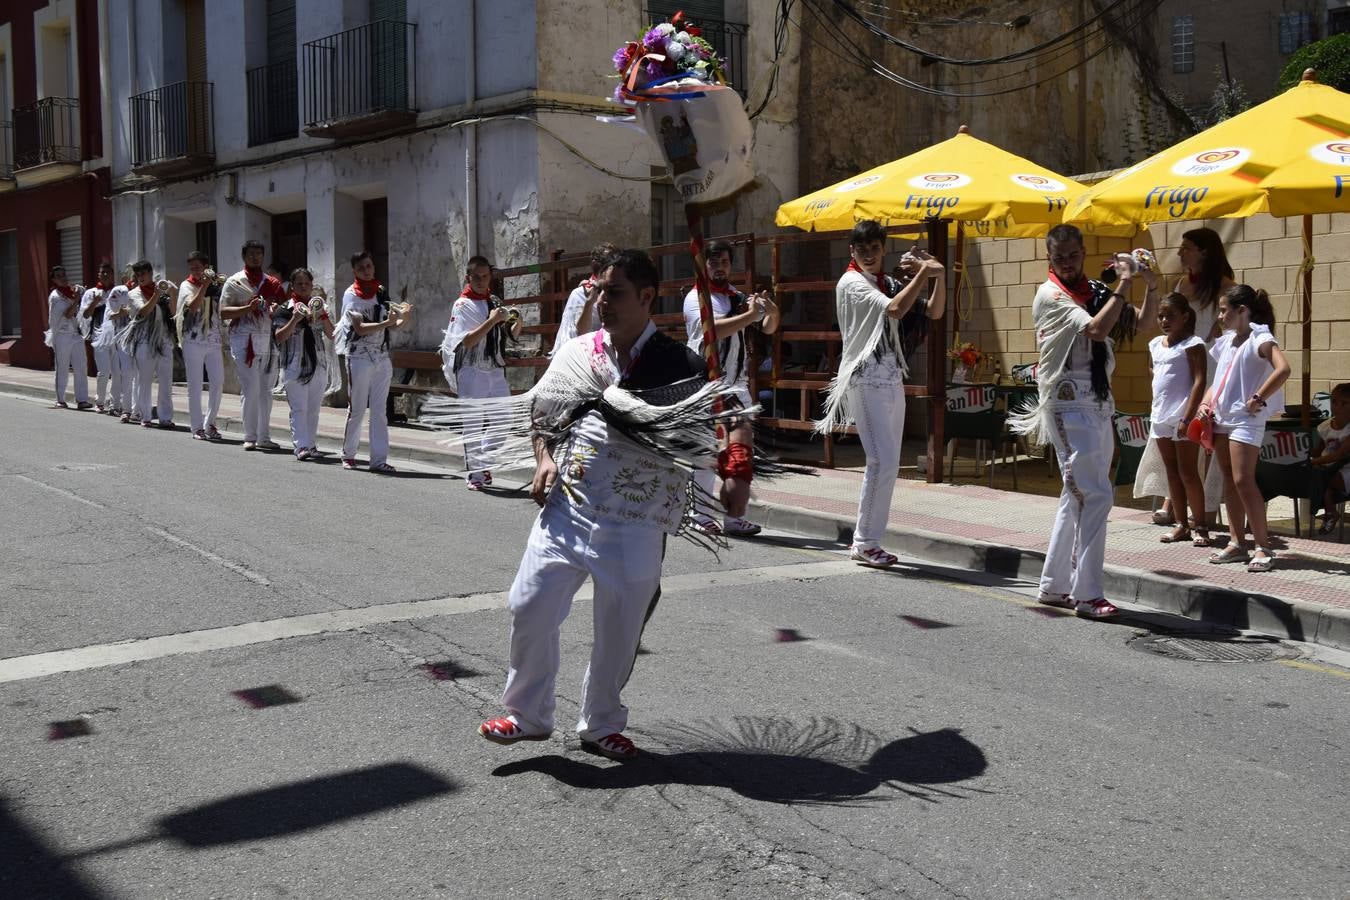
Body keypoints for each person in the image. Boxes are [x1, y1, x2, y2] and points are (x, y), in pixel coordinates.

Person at [466, 249, 727, 762]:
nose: (601, 300)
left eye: (616, 292)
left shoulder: (681, 365)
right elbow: (542, 414)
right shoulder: (579, 353)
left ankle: (601, 721)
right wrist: (544, 460)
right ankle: (528, 714)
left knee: (619, 629)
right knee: (528, 605)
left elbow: (710, 435)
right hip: (569, 504)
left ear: (648, 298)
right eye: (599, 289)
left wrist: (726, 470)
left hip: (635, 521)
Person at [1012, 224, 1160, 618]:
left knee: (1075, 496)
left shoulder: (1096, 291)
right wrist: (1124, 284)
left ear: (1083, 252)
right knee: (1095, 495)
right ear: (1049, 258)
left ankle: (1054, 585)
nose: (1066, 263)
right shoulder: (1050, 294)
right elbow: (1096, 330)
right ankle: (1088, 593)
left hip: (1095, 401)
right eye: (1058, 257)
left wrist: (1150, 282)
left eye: (1072, 256)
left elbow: (1143, 325)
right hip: (1066, 403)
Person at [816, 220, 946, 568]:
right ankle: (864, 541)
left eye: (875, 248)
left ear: (883, 248)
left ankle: (870, 539)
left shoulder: (885, 282)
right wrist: (923, 274)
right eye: (863, 249)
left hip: (890, 377)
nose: (870, 255)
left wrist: (938, 274)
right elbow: (894, 309)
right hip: (864, 379)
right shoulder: (851, 282)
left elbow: (934, 311)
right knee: (881, 462)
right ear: (852, 251)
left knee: (888, 464)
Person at [683, 239, 779, 536]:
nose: (719, 267)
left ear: (731, 265)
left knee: (738, 453)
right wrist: (751, 315)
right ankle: (699, 513)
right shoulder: (696, 297)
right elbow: (712, 331)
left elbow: (767, 329)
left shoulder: (737, 296)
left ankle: (735, 516)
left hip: (736, 385)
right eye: (713, 262)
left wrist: (772, 313)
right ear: (703, 265)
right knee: (708, 451)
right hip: (706, 385)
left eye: (724, 262)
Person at [1145, 228, 1238, 526]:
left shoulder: (1226, 286)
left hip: (1210, 364)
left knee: (1203, 432)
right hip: (1179, 365)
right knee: (1174, 434)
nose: (1180, 253)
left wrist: (1219, 332)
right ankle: (1173, 503)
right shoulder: (1182, 283)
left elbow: (1234, 328)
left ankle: (1206, 509)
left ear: (1205, 252)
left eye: (1186, 248)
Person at [1206, 285, 1291, 572]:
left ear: (1242, 310)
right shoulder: (1227, 341)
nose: (1219, 315)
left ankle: (1263, 547)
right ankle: (1236, 542)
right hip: (1221, 418)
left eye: (1223, 309)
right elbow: (1218, 381)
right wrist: (1205, 404)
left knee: (1244, 480)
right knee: (1229, 480)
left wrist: (1258, 397)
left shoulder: (1260, 337)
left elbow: (1283, 369)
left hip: (1246, 419)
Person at [439, 255, 522, 489]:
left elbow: (510, 335)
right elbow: (467, 341)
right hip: (470, 369)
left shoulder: (494, 300)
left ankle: (482, 461)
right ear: (468, 277)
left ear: (490, 277)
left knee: (505, 419)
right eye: (476, 277)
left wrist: (518, 321)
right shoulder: (462, 304)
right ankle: (474, 475)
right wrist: (491, 320)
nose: (481, 281)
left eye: (485, 276)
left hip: (494, 368)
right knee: (473, 424)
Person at [334, 249, 410, 473]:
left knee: (379, 410)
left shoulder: (380, 291)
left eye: (369, 266)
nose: (366, 271)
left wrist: (404, 317)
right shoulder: (352, 294)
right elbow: (359, 328)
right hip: (358, 357)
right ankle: (348, 454)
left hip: (381, 357)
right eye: (361, 268)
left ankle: (379, 459)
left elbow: (392, 324)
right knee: (357, 408)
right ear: (355, 271)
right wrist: (387, 323)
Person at [1148, 293, 1209, 546]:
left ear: (1184, 316)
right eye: (1161, 316)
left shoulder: (1193, 344)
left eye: (1170, 316)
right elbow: (1153, 371)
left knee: (1188, 472)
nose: (1164, 320)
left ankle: (1201, 526)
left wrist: (1187, 416)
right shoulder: (1154, 344)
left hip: (1182, 416)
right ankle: (1181, 524)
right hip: (1160, 415)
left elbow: (1199, 380)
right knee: (1171, 472)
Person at [221, 240, 288, 450]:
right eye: (251, 254)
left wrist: (276, 309)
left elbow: (283, 314)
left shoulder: (273, 284)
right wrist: (247, 309)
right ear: (244, 256)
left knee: (266, 390)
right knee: (251, 388)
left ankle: (264, 436)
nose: (255, 257)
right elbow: (223, 312)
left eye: (258, 254)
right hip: (244, 340)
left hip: (268, 340)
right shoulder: (234, 282)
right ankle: (249, 435)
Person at [275, 268, 335, 460]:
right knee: (299, 408)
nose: (303, 287)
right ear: (292, 286)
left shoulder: (318, 306)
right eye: (299, 284)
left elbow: (332, 335)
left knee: (313, 409)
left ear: (311, 285)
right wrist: (295, 319)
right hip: (294, 364)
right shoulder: (285, 308)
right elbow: (278, 337)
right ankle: (300, 446)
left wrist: (323, 316)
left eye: (307, 284)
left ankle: (311, 444)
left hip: (318, 363)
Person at [120, 260, 177, 429]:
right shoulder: (134, 294)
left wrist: (172, 293)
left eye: (143, 274)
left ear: (151, 273)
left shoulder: (161, 289)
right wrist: (156, 295)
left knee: (166, 380)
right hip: (144, 340)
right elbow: (143, 312)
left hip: (164, 339)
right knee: (144, 380)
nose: (140, 278)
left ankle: (165, 417)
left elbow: (173, 313)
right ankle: (145, 416)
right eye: (138, 275)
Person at [177, 251, 226, 441]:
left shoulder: (214, 284)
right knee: (195, 385)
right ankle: (196, 426)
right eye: (192, 268)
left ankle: (210, 423)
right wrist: (205, 285)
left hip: (213, 339)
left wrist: (221, 287)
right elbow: (194, 306)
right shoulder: (186, 285)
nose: (195, 270)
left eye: (198, 267)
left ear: (207, 267)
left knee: (218, 381)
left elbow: (223, 307)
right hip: (193, 340)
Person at [554, 243, 616, 350]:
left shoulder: (620, 291)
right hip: (585, 352)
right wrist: (589, 302)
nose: (611, 267)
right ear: (594, 264)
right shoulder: (579, 294)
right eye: (607, 262)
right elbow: (574, 334)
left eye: (614, 262)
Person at [46, 265, 91, 410]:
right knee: (62, 368)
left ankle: (82, 399)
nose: (63, 278)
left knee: (81, 366)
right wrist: (77, 299)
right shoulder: (55, 296)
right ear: (53, 280)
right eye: (58, 276)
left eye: (63, 274)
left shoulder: (72, 291)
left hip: (76, 334)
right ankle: (60, 399)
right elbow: (67, 314)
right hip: (62, 335)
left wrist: (82, 294)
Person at [79, 262, 119, 413]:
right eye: (103, 272)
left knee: (118, 372)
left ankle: (115, 403)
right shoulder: (91, 293)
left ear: (113, 274)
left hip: (117, 337)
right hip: (99, 337)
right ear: (99, 275)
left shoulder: (118, 291)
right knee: (104, 371)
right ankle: (100, 401)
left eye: (108, 272)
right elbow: (85, 315)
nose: (106, 275)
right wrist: (96, 301)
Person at [1311, 383, 1350, 535]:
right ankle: (1330, 511)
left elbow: (1338, 455)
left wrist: (1314, 462)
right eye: (1334, 402)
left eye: (1344, 403)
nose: (1337, 407)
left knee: (1322, 478)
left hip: (1345, 469)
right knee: (1319, 477)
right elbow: (1319, 451)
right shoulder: (1324, 426)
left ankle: (1330, 512)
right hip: (1325, 468)